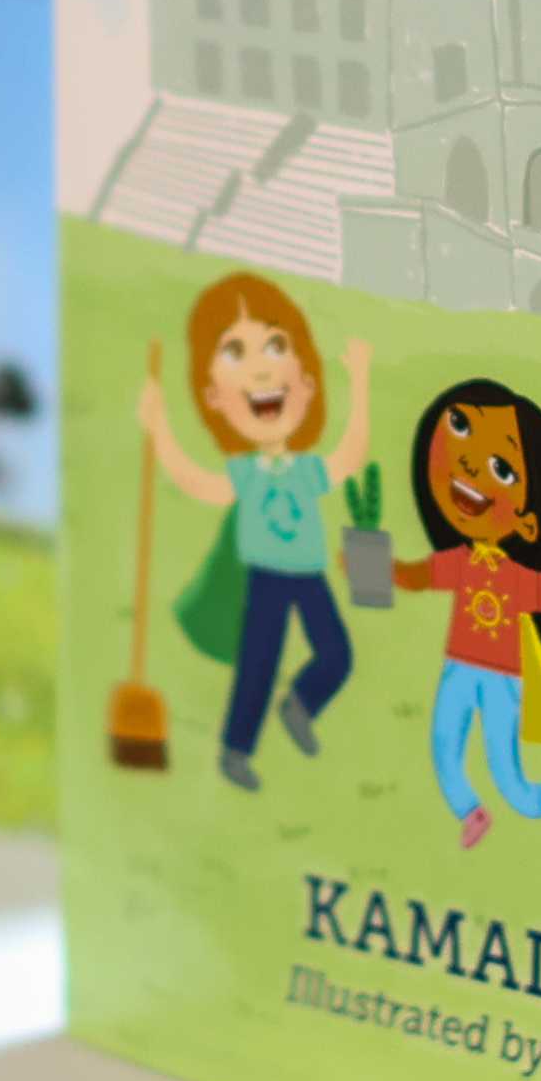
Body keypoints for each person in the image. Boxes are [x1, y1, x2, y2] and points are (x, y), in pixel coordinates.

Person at [134, 273, 373, 794]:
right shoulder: (245, 474)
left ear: (307, 385)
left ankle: (300, 705)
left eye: (276, 345)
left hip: (309, 577)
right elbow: (197, 481)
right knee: (257, 666)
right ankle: (235, 751)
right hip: (265, 579)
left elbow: (350, 456)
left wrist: (359, 380)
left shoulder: (307, 470)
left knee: (337, 653)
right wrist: (160, 430)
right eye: (235, 352)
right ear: (215, 399)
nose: (262, 366)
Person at [395, 378, 541, 849]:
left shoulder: (517, 579)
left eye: (502, 469)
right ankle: (471, 812)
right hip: (459, 669)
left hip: (502, 678)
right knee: (445, 751)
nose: (470, 466)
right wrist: (362, 564)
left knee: (507, 772)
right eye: (459, 426)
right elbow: (417, 575)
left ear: (528, 521)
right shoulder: (461, 562)